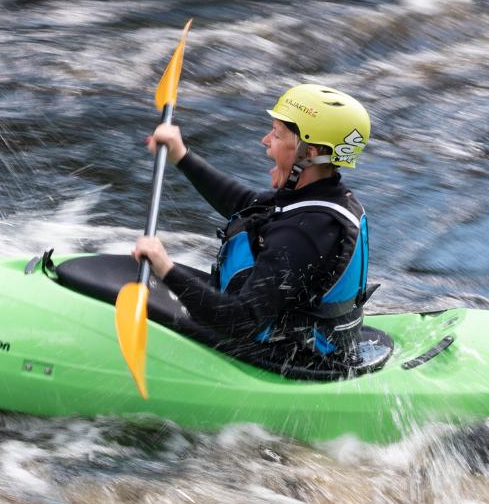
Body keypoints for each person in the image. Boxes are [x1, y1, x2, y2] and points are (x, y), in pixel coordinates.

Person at [131, 84, 373, 376]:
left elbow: (242, 322)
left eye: (277, 134)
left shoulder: (304, 234)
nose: (265, 140)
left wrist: (166, 268)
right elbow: (245, 205)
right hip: (287, 329)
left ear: (308, 153)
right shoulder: (319, 196)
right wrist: (182, 156)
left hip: (285, 354)